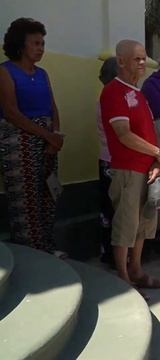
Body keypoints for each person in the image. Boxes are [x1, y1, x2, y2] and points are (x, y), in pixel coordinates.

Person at [100, 39, 160, 290]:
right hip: (127, 169)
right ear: (120, 61)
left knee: (142, 225)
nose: (142, 63)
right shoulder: (113, 91)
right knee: (126, 225)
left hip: (146, 169)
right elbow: (123, 134)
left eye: (144, 57)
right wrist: (157, 152)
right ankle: (123, 278)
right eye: (137, 58)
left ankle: (136, 270)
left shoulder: (138, 93)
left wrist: (157, 160)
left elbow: (149, 130)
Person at [0, 18, 64, 254]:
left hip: (47, 142)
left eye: (43, 43)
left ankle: (47, 247)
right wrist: (47, 135)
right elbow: (11, 113)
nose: (41, 48)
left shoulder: (43, 73)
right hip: (20, 143)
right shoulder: (5, 72)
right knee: (25, 200)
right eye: (35, 43)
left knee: (48, 195)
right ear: (20, 45)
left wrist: (55, 135)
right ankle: (31, 253)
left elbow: (52, 107)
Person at [96, 57, 118, 265]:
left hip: (110, 159)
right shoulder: (110, 97)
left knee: (110, 210)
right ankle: (112, 256)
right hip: (112, 160)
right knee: (112, 210)